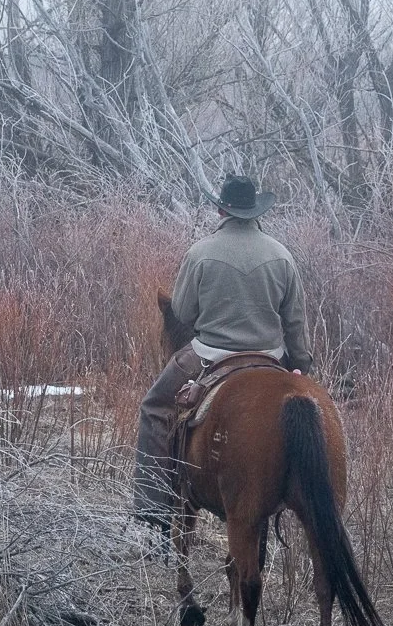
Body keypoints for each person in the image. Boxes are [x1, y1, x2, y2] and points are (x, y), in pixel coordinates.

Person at [131, 174, 311, 527]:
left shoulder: (200, 253)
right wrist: (302, 365)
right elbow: (295, 323)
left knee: (154, 407)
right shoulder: (281, 255)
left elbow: (182, 313)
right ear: (256, 211)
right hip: (271, 357)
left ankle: (152, 508)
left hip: (208, 353)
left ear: (221, 211)